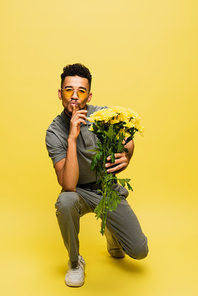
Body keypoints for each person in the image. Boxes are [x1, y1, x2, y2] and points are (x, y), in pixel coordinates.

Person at [45, 63, 148, 287]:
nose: (74, 96)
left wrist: (127, 156)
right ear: (60, 93)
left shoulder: (103, 115)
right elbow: (69, 184)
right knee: (65, 201)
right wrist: (71, 137)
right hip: (79, 193)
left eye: (80, 91)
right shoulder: (54, 131)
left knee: (140, 251)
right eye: (68, 89)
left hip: (107, 189)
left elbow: (128, 141)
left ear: (89, 95)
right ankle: (74, 262)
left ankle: (112, 233)